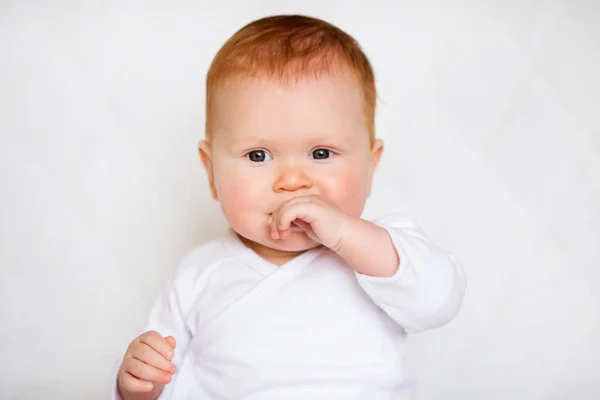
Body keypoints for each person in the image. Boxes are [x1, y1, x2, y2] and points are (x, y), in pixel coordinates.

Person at [113, 14, 466, 400]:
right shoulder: (198, 274)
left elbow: (438, 301)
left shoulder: (384, 252)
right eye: (259, 155)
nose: (292, 180)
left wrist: (347, 234)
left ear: (371, 164)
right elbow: (172, 381)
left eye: (320, 153)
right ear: (211, 171)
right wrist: (141, 387)